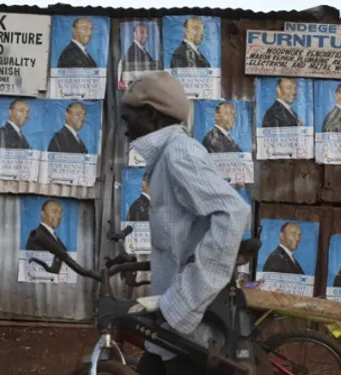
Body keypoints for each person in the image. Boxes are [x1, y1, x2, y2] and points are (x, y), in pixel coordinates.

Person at [120, 71, 251, 374]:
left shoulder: (180, 154)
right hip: (169, 321)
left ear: (152, 116)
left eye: (129, 120)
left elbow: (233, 213)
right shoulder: (166, 155)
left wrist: (188, 297)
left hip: (189, 326)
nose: (126, 131)